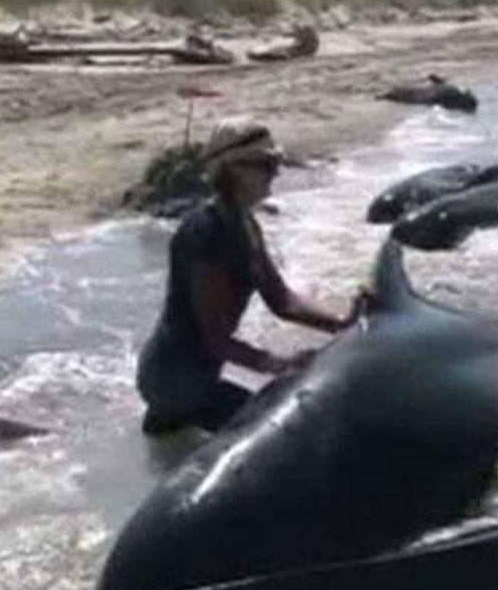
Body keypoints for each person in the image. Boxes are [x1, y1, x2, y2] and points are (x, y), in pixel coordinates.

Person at [136, 118, 364, 435]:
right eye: (267, 165)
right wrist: (278, 364)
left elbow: (282, 301)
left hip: (196, 375)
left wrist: (342, 323)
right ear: (233, 170)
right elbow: (214, 339)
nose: (276, 173)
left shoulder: (247, 225)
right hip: (174, 380)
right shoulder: (205, 233)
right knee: (278, 431)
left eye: (276, 163)